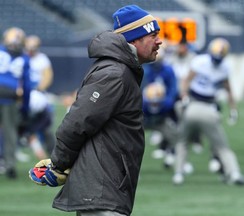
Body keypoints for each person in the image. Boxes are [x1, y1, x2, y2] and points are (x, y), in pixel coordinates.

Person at [29, 4, 162, 216]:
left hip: (105, 189)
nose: (159, 41)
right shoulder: (114, 74)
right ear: (134, 39)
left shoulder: (120, 70)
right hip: (101, 192)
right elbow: (77, 122)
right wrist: (58, 163)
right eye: (153, 35)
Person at [172, 38, 244, 186]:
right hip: (208, 109)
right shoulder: (221, 66)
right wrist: (233, 109)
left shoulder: (200, 61)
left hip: (192, 107)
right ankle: (234, 173)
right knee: (221, 146)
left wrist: (184, 97)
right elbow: (229, 90)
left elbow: (186, 81)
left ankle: (178, 173)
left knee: (183, 142)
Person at [0, 27, 31, 179]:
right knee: (10, 131)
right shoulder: (24, 58)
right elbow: (26, 85)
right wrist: (25, 106)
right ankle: (10, 165)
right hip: (10, 95)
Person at [18, 35, 55, 160]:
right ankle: (16, 149)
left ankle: (52, 152)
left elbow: (48, 76)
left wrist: (39, 88)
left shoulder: (42, 59)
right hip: (22, 94)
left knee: (43, 127)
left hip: (37, 94)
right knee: (17, 125)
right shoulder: (21, 57)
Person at [142, 48, 178, 168]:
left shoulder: (168, 70)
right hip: (146, 107)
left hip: (164, 106)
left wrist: (168, 101)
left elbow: (173, 89)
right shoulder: (147, 71)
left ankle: (172, 155)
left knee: (174, 131)